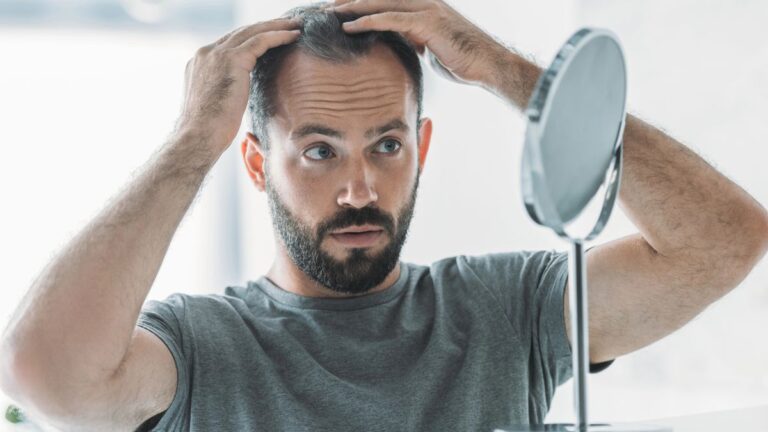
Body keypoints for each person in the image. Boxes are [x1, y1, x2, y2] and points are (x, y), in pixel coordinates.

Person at [2, 1, 767, 431]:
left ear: (422, 147)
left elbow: (724, 242)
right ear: (258, 163)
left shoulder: (506, 312)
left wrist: (506, 71)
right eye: (320, 152)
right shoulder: (200, 348)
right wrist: (190, 143)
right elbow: (45, 375)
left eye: (388, 144)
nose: (362, 188)